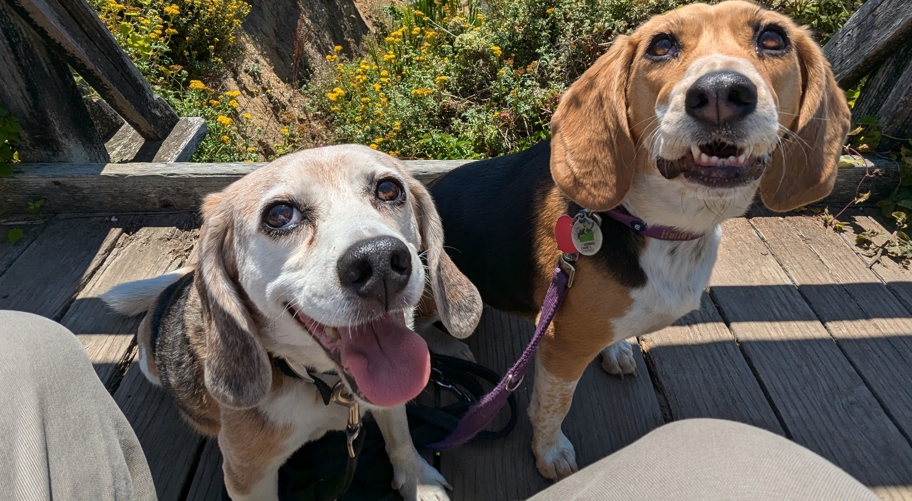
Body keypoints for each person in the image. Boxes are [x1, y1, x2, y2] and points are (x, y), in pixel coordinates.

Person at [0, 310, 880, 501]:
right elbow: (241, 475)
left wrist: (409, 458)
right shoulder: (240, 371)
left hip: (341, 364)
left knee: (25, 341)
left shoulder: (381, 334)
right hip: (222, 379)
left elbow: (386, 381)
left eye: (390, 197)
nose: (375, 246)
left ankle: (405, 461)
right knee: (722, 453)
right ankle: (160, 303)